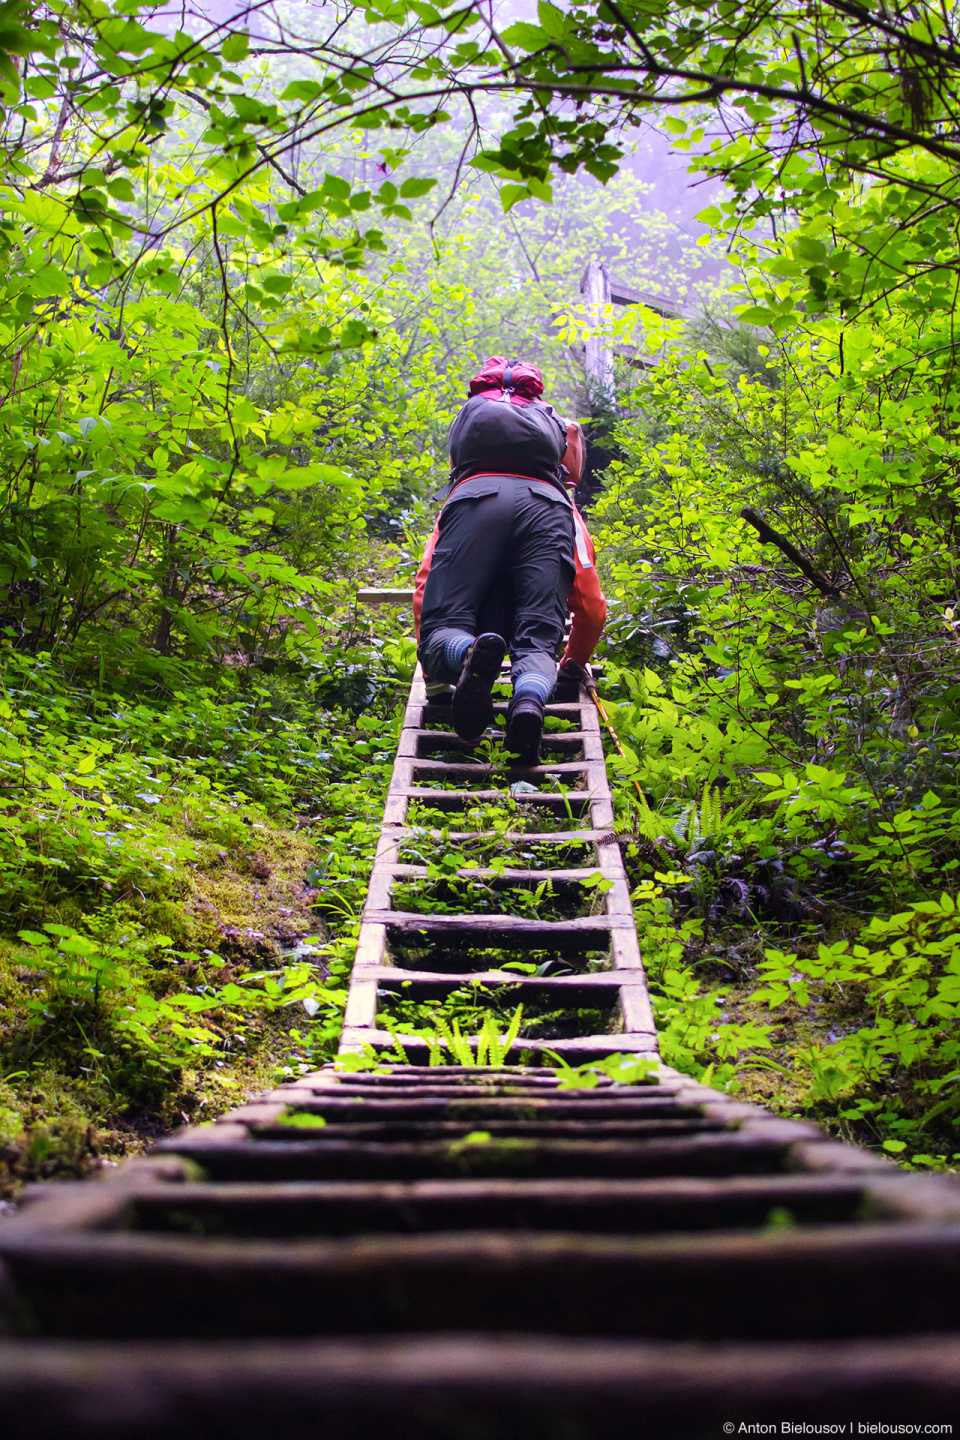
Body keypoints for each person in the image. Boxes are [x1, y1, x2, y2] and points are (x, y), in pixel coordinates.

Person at [412, 355, 606, 763]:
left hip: (475, 502)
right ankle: (529, 705)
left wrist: (438, 675)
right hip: (547, 513)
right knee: (537, 637)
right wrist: (572, 663)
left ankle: (466, 654)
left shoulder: (469, 444)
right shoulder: (565, 503)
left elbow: (426, 586)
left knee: (445, 624)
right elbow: (590, 605)